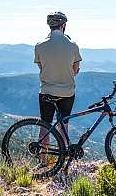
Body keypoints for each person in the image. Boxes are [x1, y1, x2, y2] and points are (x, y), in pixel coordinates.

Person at [34, 12, 82, 165]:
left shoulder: (39, 46)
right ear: (64, 26)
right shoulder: (72, 46)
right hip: (67, 92)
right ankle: (62, 157)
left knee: (45, 124)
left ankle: (43, 161)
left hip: (47, 91)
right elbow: (75, 70)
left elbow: (41, 67)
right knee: (63, 125)